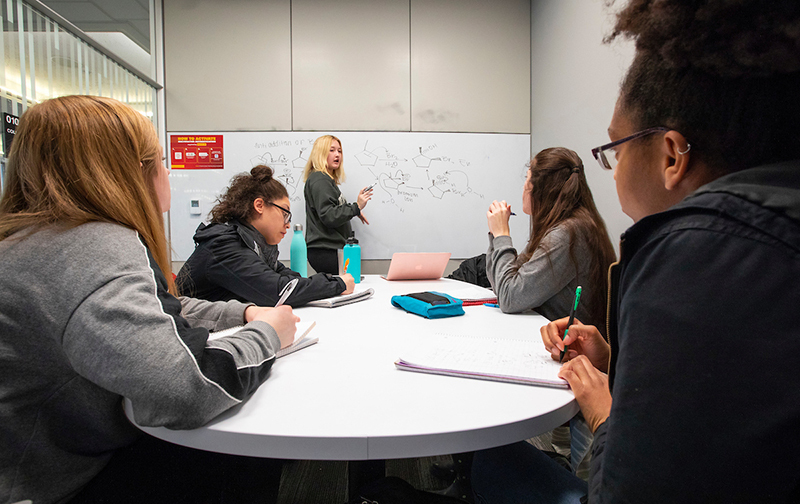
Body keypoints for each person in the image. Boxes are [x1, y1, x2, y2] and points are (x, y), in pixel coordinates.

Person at [471, 0, 800, 502]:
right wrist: (614, 365)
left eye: (616, 150)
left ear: (671, 155)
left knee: (491, 455)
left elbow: (631, 488)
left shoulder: (695, 259)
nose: (615, 169)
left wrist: (606, 412)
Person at [0, 95, 300, 504]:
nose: (167, 171)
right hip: (60, 482)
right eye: (159, 159)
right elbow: (186, 391)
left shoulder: (46, 237)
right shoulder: (93, 248)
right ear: (129, 172)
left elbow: (159, 305)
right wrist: (267, 333)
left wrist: (243, 313)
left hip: (47, 454)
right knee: (247, 452)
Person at [176, 164, 355, 306]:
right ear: (259, 205)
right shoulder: (225, 245)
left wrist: (325, 283)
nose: (288, 223)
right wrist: (337, 284)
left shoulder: (253, 245)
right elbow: (278, 291)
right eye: (284, 213)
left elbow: (286, 277)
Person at [486, 147, 616, 328]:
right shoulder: (563, 226)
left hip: (570, 350)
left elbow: (510, 297)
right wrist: (496, 234)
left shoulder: (568, 234)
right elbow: (502, 285)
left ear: (539, 190)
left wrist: (502, 234)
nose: (524, 186)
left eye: (527, 179)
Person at [303, 134, 373, 274]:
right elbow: (329, 216)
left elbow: (331, 209)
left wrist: (355, 210)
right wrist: (356, 207)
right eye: (332, 150)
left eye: (340, 151)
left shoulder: (325, 179)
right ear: (320, 153)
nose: (337, 155)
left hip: (328, 250)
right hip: (326, 250)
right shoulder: (320, 179)